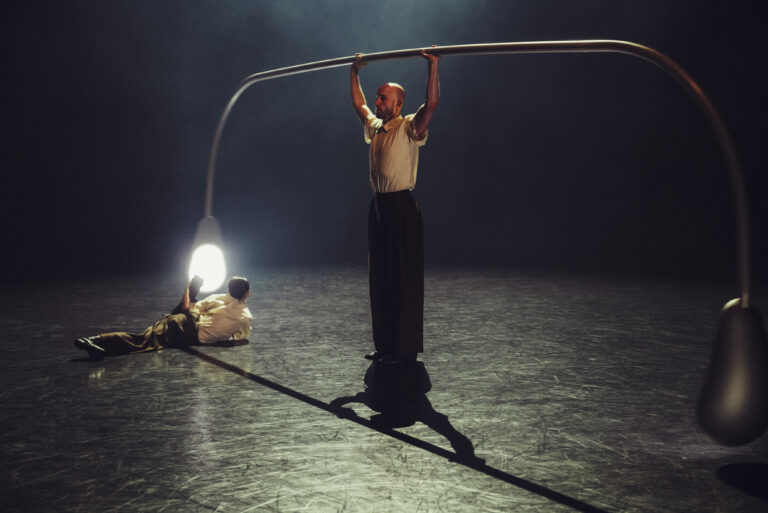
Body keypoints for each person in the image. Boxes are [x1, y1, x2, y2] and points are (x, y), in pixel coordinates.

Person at [350, 48, 440, 364]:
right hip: (379, 208)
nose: (377, 102)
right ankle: (386, 344)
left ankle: (405, 348)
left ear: (398, 104)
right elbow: (359, 105)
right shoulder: (376, 128)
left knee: (403, 278)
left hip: (402, 208)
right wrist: (354, 71)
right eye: (378, 98)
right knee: (382, 278)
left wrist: (432, 66)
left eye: (383, 99)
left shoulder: (408, 128)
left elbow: (431, 105)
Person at [74, 276, 253, 360]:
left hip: (186, 323)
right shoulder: (245, 317)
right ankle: (94, 341)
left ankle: (189, 290)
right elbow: (239, 336)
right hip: (187, 331)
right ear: (247, 293)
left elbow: (193, 309)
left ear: (229, 291)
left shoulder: (217, 297)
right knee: (141, 341)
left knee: (145, 338)